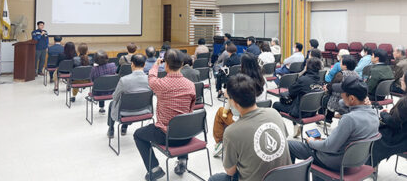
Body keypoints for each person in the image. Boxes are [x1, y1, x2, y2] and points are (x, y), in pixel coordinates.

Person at [209, 74, 291, 181]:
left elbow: (230, 171)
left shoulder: (231, 132)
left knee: (215, 178)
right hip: (285, 177)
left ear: (234, 102)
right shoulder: (274, 113)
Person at [289, 76, 379, 172]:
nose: (341, 96)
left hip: (335, 162)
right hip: (356, 161)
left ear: (352, 98)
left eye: (342, 93)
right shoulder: (374, 113)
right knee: (320, 141)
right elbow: (342, 103)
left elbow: (329, 147)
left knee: (290, 145)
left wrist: (311, 142)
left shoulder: (349, 119)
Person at [133, 49, 196, 180]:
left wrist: (156, 65)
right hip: (187, 135)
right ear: (182, 64)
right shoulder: (191, 85)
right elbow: (190, 111)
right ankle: (182, 161)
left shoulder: (160, 84)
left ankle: (154, 169)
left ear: (166, 64)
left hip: (167, 137)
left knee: (138, 135)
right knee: (182, 121)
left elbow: (151, 78)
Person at [213, 53, 267, 157]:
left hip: (243, 117)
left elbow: (235, 103)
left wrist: (227, 93)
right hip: (260, 115)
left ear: (243, 65)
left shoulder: (242, 82)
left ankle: (220, 144)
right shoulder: (263, 80)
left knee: (220, 112)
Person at [273, 57, 322, 137]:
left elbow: (291, 91)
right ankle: (295, 127)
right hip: (313, 112)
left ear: (307, 67)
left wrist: (302, 74)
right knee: (296, 97)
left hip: (299, 113)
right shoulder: (320, 81)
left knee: (276, 104)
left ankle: (281, 133)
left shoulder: (303, 80)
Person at [107, 54, 151, 138]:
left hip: (125, 112)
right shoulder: (150, 79)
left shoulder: (124, 80)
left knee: (112, 104)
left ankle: (111, 129)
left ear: (132, 64)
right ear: (144, 65)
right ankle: (124, 128)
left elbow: (115, 97)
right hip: (144, 110)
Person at [324, 55, 358, 123]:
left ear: (345, 66)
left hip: (337, 102)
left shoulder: (340, 74)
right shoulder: (356, 75)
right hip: (350, 101)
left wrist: (326, 88)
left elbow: (332, 86)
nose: (340, 64)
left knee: (325, 98)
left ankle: (328, 119)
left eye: (341, 62)